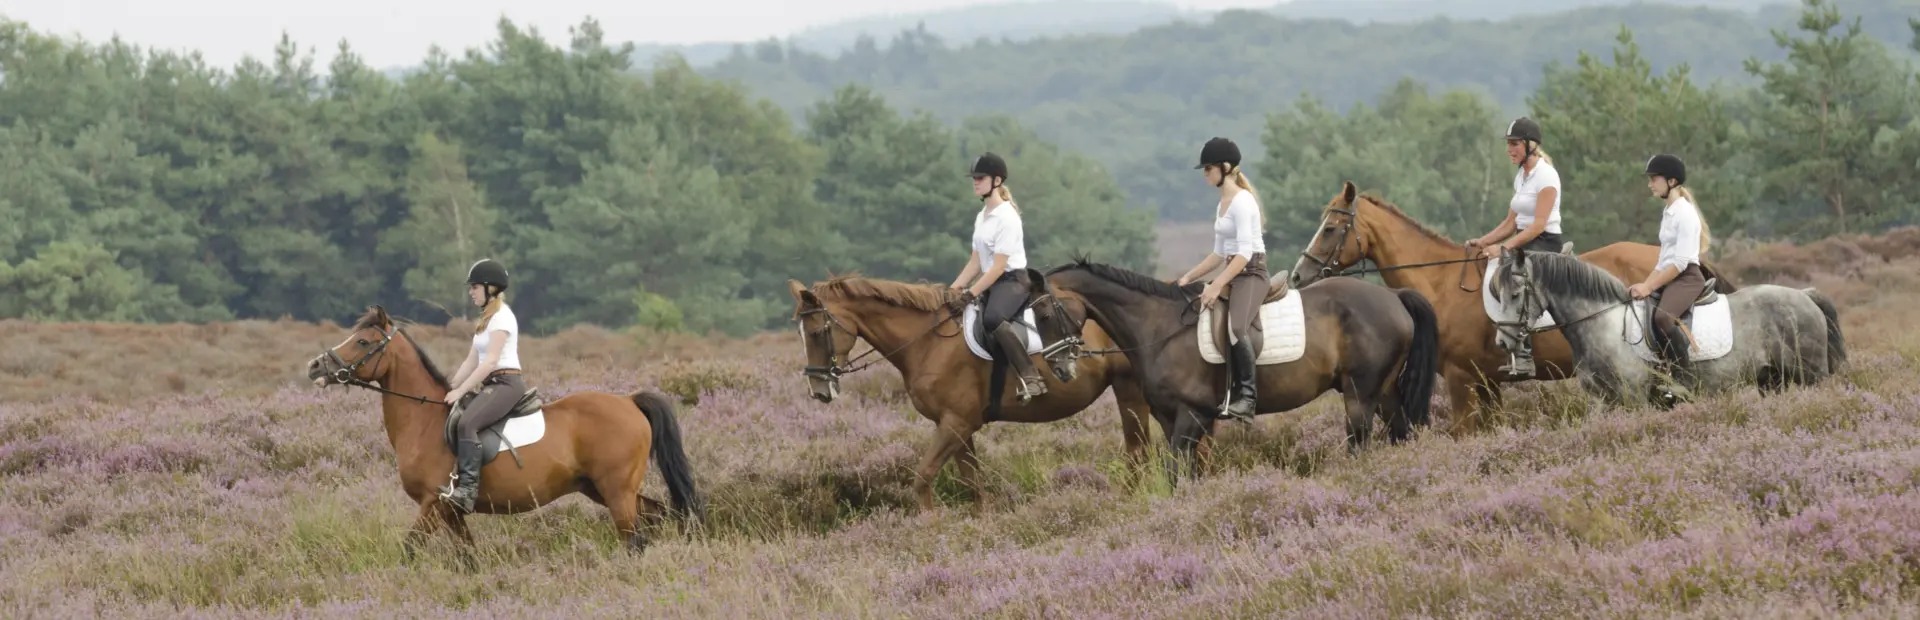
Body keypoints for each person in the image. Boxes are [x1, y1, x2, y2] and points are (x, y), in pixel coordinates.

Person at [1174, 137, 1267, 421]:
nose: (1205, 174)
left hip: (1252, 273)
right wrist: (1188, 276)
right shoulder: (1222, 204)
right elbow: (1218, 254)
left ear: (1225, 167)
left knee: (1236, 327)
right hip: (1234, 271)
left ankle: (1248, 398)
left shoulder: (1242, 202)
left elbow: (1244, 254)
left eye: (1208, 168)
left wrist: (1216, 285)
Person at [1466, 116, 1565, 378]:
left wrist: (1503, 248)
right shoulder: (1522, 176)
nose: (1509, 149)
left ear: (1531, 145)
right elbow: (1511, 222)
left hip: (1544, 242)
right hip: (1524, 240)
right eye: (1508, 144)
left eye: (1514, 144)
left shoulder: (1546, 176)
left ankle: (1523, 356)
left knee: (1513, 279)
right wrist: (1484, 241)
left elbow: (1538, 225)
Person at [949, 152, 1047, 403]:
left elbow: (998, 267)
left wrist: (971, 293)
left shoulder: (1007, 217)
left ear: (997, 181)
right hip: (992, 281)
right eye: (974, 178)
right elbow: (976, 262)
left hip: (1013, 281)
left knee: (993, 317)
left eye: (980, 178)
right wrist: (954, 288)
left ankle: (1031, 376)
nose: (975, 182)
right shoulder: (982, 216)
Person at [438, 258, 528, 514]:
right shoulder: (486, 320)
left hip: (507, 383)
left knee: (467, 423)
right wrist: (450, 385)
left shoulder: (502, 318)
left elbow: (489, 362)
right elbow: (472, 360)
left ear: (491, 288)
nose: (471, 292)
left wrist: (461, 391)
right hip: (493, 383)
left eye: (475, 287)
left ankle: (467, 491)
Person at [1627, 153, 1711, 395]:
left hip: (1687, 277)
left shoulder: (1685, 213)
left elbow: (1681, 262)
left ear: (1672, 181)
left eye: (1654, 179)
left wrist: (1650, 286)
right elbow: (1663, 261)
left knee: (1663, 318)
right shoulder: (1669, 211)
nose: (1650, 184)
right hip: (1670, 273)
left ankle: (1684, 379)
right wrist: (1644, 285)